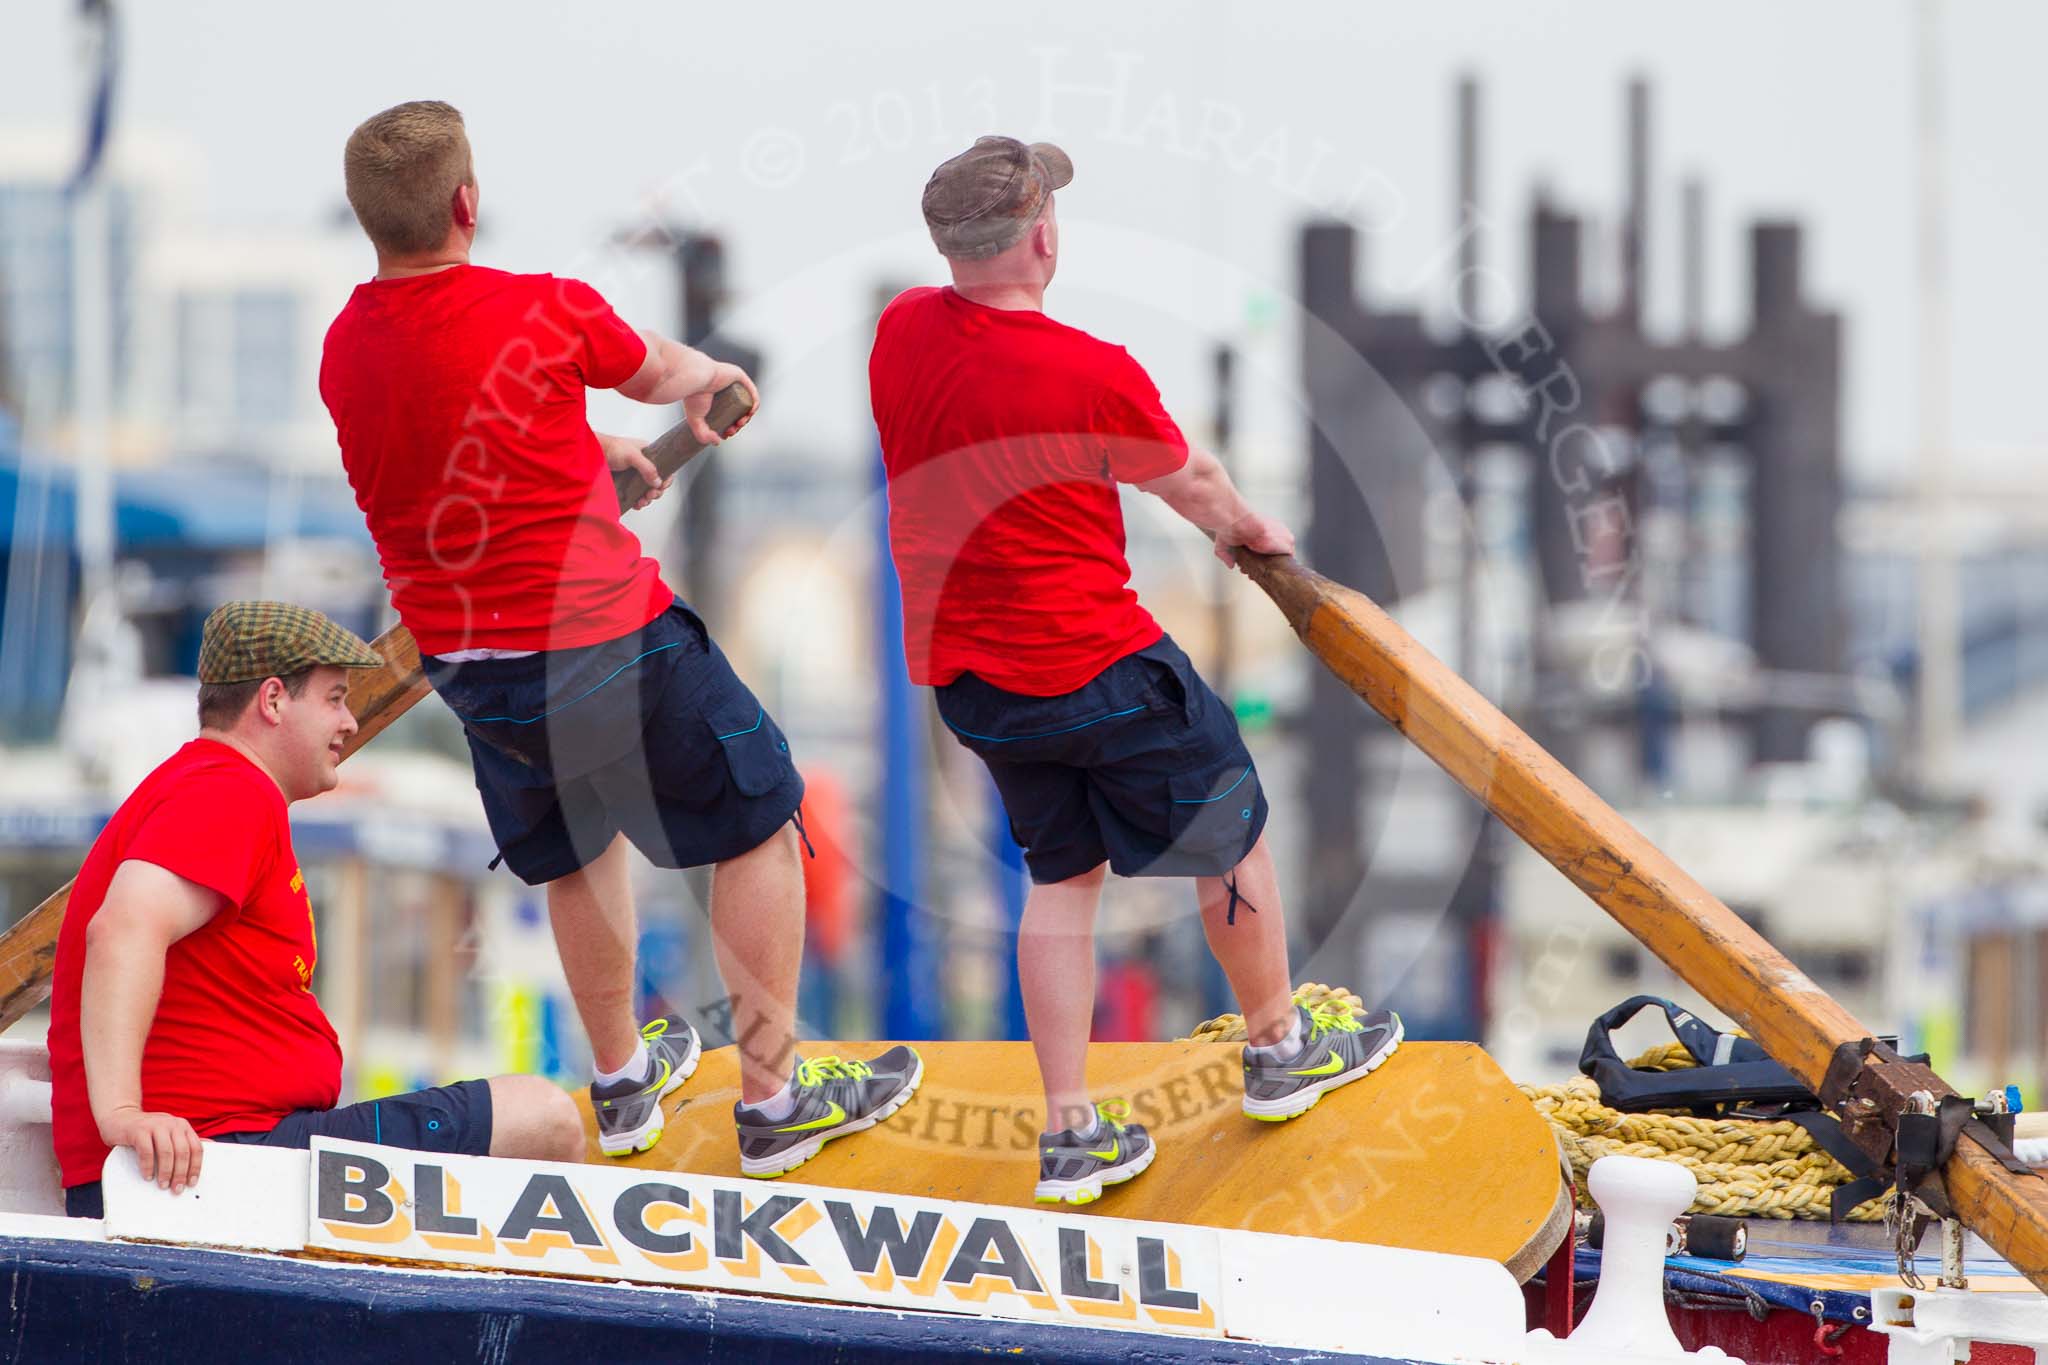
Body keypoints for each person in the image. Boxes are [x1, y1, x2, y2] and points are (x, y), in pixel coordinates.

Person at [322, 101, 917, 1173]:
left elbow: (456, 440)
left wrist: (588, 453)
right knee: (760, 821)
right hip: (604, 641)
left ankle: (620, 1085)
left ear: (372, 222)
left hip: (473, 673)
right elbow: (673, 374)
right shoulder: (545, 309)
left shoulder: (345, 350)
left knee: (575, 848)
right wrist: (713, 391)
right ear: (466, 203)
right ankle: (775, 1100)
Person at [869, 137, 1402, 1205]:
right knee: (1231, 829)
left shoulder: (899, 335)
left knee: (1060, 879)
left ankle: (1070, 1130)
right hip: (1093, 661)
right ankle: (1276, 1047)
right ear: (1041, 236)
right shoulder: (1088, 369)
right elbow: (1191, 482)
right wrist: (1254, 532)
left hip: (974, 683)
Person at [49, 602, 589, 1218]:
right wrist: (122, 1114)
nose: (352, 722)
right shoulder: (227, 789)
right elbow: (122, 929)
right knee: (543, 1120)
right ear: (274, 700)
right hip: (213, 1163)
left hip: (222, 1153)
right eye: (335, 698)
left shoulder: (204, 785)